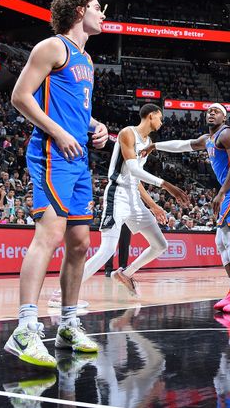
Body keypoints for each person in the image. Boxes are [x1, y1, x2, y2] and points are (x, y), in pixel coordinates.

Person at [4, 0, 107, 368]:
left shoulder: (88, 60)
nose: (103, 15)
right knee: (48, 235)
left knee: (80, 242)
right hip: (52, 153)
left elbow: (78, 110)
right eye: (98, 8)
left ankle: (67, 323)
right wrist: (59, 133)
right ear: (80, 10)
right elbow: (21, 96)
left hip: (77, 157)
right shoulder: (52, 47)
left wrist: (96, 127)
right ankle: (26, 328)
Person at [47, 103, 189, 307]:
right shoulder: (127, 133)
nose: (162, 121)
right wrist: (166, 185)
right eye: (160, 117)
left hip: (135, 199)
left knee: (160, 245)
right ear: (151, 116)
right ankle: (63, 294)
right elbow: (131, 168)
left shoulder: (148, 141)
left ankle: (125, 274)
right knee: (106, 250)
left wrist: (153, 206)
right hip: (118, 194)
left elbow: (136, 177)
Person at [142, 103, 230, 313]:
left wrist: (222, 192)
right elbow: (182, 145)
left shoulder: (228, 134)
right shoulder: (207, 140)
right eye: (209, 111)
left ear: (224, 118)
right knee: (220, 240)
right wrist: (155, 146)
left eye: (216, 112)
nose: (211, 113)